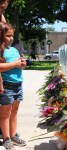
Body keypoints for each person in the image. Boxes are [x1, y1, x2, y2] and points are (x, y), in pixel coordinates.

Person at [0, 22, 26, 150]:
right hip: (7, 86)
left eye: (12, 36)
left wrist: (22, 64)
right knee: (5, 113)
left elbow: (18, 63)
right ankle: (6, 138)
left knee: (14, 112)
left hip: (18, 84)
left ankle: (13, 134)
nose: (11, 38)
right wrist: (14, 65)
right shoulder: (1, 51)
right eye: (8, 35)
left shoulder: (14, 49)